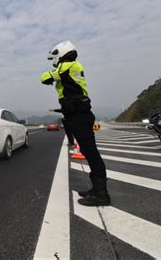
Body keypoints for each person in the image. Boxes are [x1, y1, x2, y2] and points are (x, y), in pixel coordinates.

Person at [40, 40, 110, 206]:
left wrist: (51, 75)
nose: (53, 62)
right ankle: (96, 189)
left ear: (62, 54)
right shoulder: (72, 66)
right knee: (89, 151)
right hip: (77, 114)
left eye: (54, 58)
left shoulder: (68, 66)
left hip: (79, 115)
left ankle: (102, 194)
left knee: (91, 153)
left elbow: (44, 77)